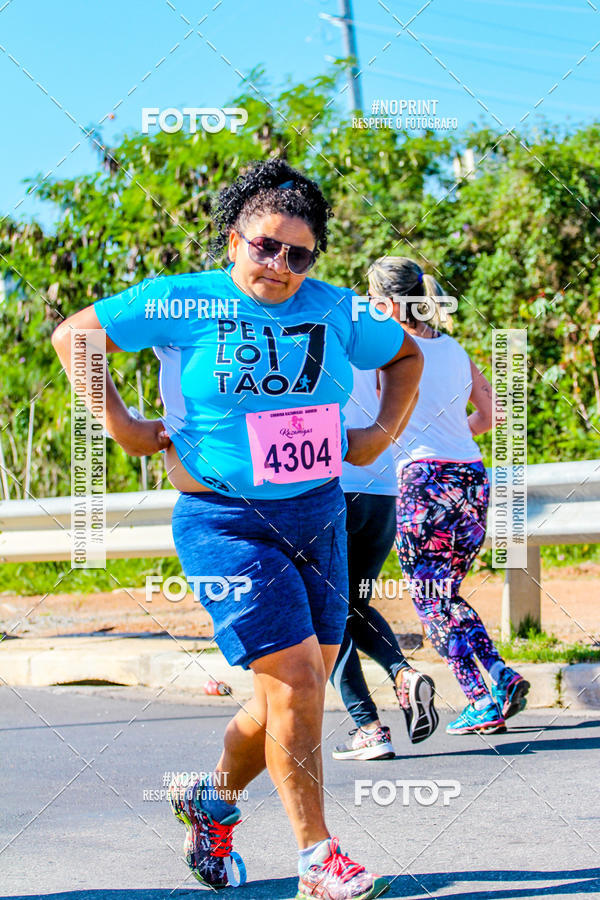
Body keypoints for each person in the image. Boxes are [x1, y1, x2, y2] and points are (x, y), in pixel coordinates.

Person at [51, 159, 423, 900]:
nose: (279, 265)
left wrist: (379, 435)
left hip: (319, 514)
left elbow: (409, 353)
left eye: (298, 253)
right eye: (264, 245)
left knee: (293, 692)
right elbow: (76, 336)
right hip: (226, 524)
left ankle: (212, 802)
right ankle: (318, 859)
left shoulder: (339, 310)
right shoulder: (177, 301)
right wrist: (122, 426)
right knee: (296, 682)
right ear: (233, 240)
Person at [366, 256, 530, 736]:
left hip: (424, 484)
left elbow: (378, 418)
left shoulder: (389, 349)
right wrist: (450, 430)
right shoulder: (456, 350)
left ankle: (481, 697)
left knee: (431, 601)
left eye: (374, 300)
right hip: (472, 478)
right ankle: (501, 677)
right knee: (446, 595)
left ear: (388, 302)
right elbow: (491, 414)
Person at [330, 362, 439, 761]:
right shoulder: (372, 334)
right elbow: (409, 387)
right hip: (381, 489)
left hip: (331, 487)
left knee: (326, 612)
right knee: (354, 606)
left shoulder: (299, 324)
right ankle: (403, 674)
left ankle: (368, 728)